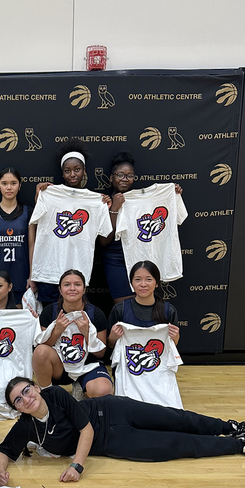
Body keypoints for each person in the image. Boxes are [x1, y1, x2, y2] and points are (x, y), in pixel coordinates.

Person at [0, 378, 245, 485]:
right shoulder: (25, 425)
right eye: (17, 400)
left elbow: (85, 430)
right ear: (17, 408)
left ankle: (232, 427)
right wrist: (0, 473)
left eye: (26, 390)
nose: (25, 398)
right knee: (173, 446)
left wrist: (77, 465)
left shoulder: (56, 394)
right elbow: (4, 450)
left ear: (36, 386)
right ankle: (243, 445)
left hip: (113, 411)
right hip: (114, 442)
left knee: (178, 419)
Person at [97, 152, 183, 303]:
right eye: (120, 175)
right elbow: (104, 241)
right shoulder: (103, 202)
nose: (125, 179)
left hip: (141, 255)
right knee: (124, 308)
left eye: (129, 175)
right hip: (115, 259)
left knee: (144, 305)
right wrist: (115, 209)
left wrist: (172, 196)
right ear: (111, 178)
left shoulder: (147, 201)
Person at [30, 139, 95, 305]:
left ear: (84, 170)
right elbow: (34, 225)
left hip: (77, 275)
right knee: (49, 321)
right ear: (62, 172)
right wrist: (40, 199)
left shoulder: (94, 201)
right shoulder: (48, 194)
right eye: (67, 171)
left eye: (77, 169)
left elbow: (105, 236)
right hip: (49, 270)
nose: (72, 174)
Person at [32, 269, 112, 398]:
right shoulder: (50, 312)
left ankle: (82, 386)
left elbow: (101, 353)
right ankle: (49, 396)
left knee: (103, 391)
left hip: (88, 365)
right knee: (40, 352)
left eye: (77, 284)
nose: (72, 288)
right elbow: (41, 348)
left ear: (84, 289)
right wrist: (56, 331)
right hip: (60, 366)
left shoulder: (95, 314)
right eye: (67, 284)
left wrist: (87, 334)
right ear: (60, 289)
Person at [0, 167, 35, 302]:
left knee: (19, 318)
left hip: (21, 276)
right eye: (4, 183)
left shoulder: (29, 212)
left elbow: (31, 245)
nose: (9, 187)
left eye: (13, 183)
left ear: (20, 186)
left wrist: (32, 276)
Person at [108, 261, 179, 347]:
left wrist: (175, 337)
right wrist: (112, 337)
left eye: (149, 279)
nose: (143, 284)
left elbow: (172, 347)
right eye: (138, 279)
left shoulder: (168, 310)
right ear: (131, 283)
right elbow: (110, 346)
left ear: (156, 283)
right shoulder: (120, 309)